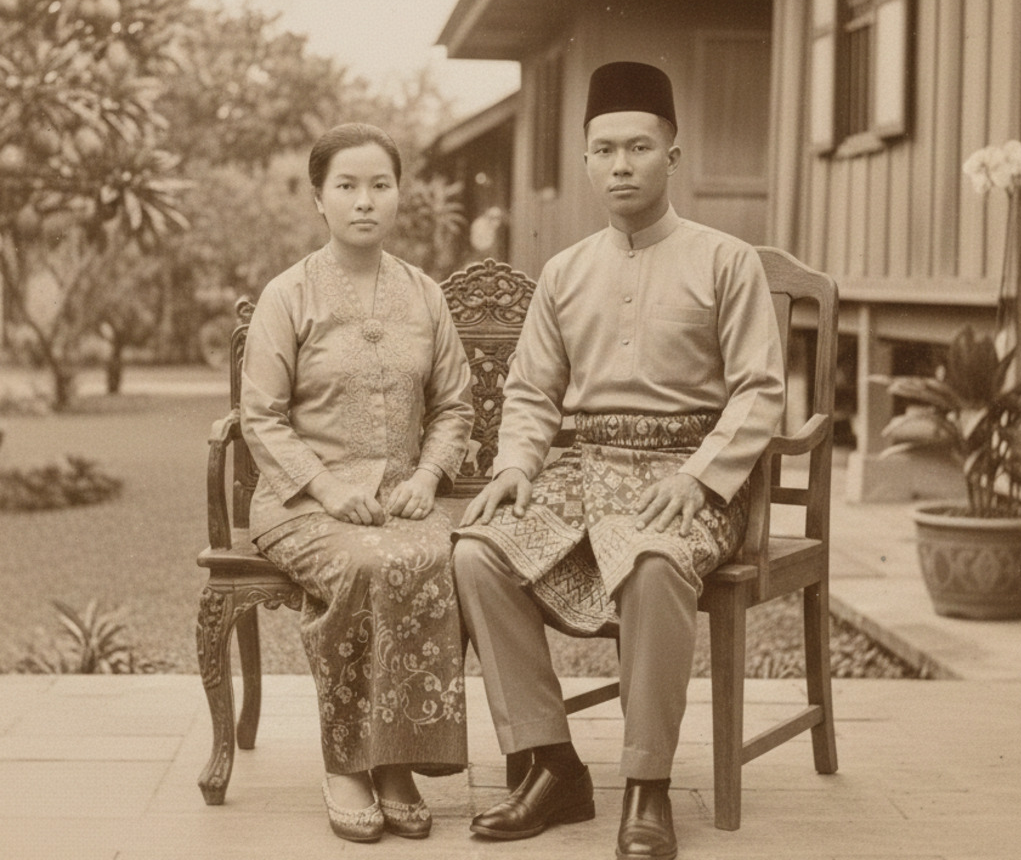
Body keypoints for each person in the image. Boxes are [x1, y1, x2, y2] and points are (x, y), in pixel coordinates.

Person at [452, 61, 786, 860]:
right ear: (586, 160)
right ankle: (551, 764)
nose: (621, 165)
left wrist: (700, 476)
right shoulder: (566, 271)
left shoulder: (725, 260)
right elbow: (532, 391)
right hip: (588, 467)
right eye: (604, 150)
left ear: (673, 154)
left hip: (690, 477)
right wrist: (515, 466)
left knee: (655, 561)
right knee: (478, 553)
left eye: (639, 147)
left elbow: (760, 390)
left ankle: (646, 785)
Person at [240, 122, 474, 844]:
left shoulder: (424, 294)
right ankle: (347, 763)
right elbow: (260, 416)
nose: (364, 201)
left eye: (380, 185)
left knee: (441, 557)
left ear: (399, 194)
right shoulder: (289, 295)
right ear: (320, 198)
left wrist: (428, 477)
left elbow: (455, 405)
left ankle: (395, 761)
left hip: (402, 497)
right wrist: (326, 488)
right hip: (300, 502)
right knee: (366, 564)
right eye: (347, 186)